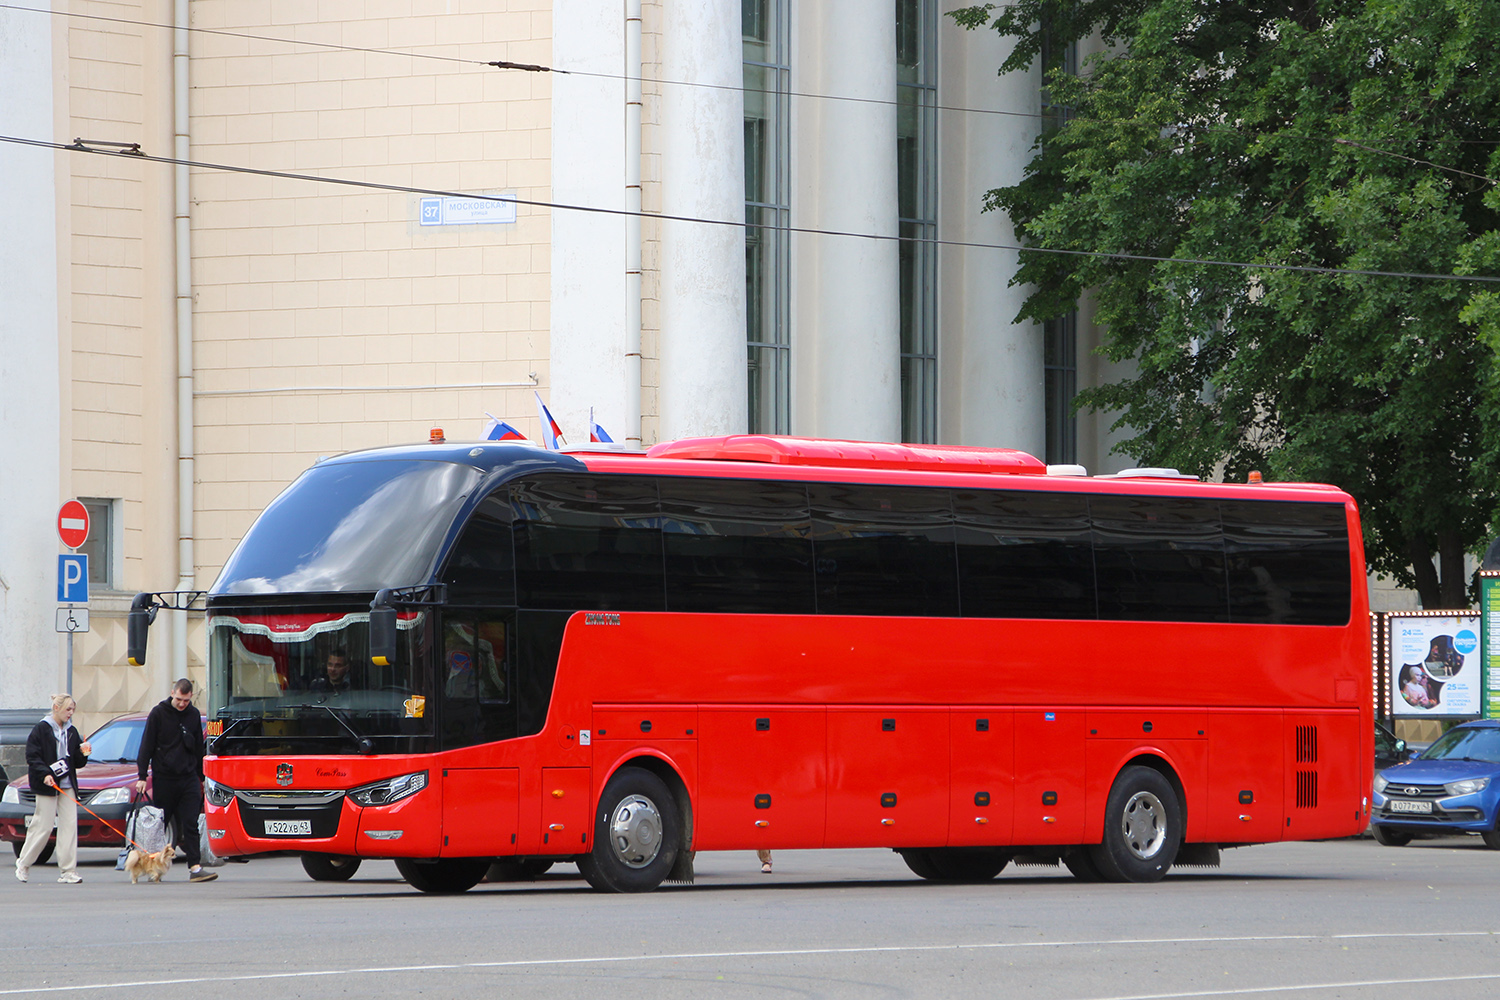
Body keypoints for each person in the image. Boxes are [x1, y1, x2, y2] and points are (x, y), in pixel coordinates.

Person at [136, 678, 218, 882]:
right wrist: (142, 776)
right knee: (160, 824)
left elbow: (199, 747)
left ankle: (195, 867)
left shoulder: (193, 715)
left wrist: (203, 777)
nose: (182, 704)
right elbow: (146, 744)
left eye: (186, 700)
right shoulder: (159, 713)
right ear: (172, 693)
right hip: (165, 777)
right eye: (179, 699)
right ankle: (152, 866)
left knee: (190, 822)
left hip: (188, 777)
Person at [15, 694, 92, 883]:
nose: (71, 713)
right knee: (44, 825)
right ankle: (23, 864)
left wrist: (84, 753)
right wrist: (45, 774)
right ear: (56, 708)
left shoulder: (72, 731)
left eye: (73, 710)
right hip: (47, 783)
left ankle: (68, 871)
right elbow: (32, 756)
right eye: (68, 709)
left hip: (67, 784)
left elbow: (76, 762)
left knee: (69, 826)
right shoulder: (41, 729)